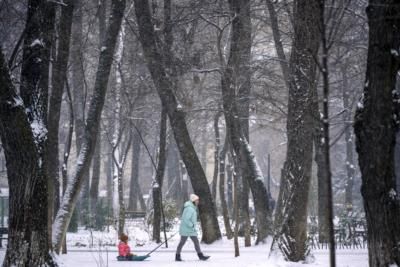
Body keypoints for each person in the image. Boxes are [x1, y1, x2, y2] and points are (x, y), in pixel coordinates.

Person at [175, 194, 210, 261]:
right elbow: (185, 219)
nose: (198, 201)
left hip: (190, 229)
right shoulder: (189, 209)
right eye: (197, 200)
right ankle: (177, 256)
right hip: (186, 229)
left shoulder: (192, 208)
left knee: (196, 242)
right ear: (193, 200)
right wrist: (192, 225)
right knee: (182, 242)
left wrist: (192, 226)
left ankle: (200, 256)